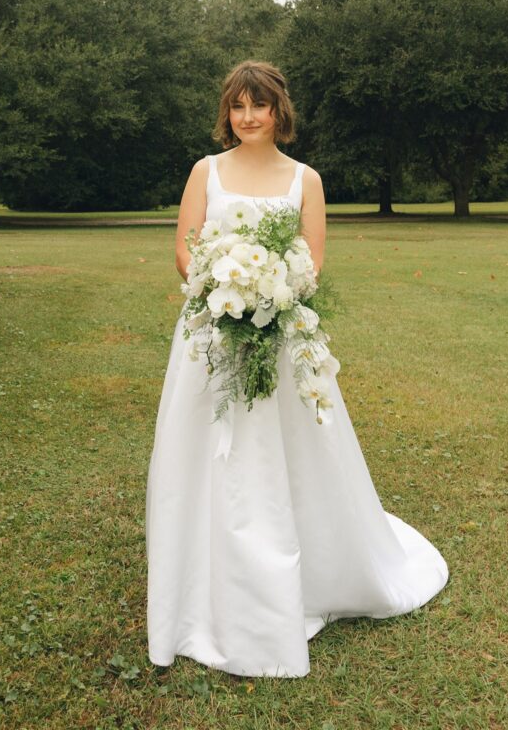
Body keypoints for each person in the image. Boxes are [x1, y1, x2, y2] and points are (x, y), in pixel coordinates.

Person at [145, 59, 448, 678]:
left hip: (282, 338)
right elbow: (185, 247)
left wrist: (268, 290)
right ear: (227, 114)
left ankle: (307, 571)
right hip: (210, 338)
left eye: (258, 105)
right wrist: (219, 281)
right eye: (237, 106)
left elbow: (310, 261)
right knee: (206, 454)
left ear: (279, 111)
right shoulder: (205, 172)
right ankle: (205, 579)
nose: (248, 116)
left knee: (289, 453)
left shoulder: (304, 179)